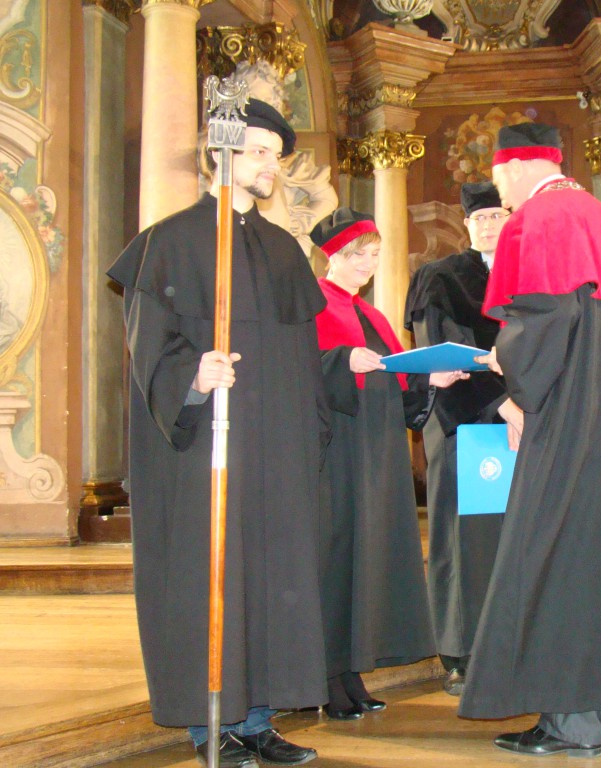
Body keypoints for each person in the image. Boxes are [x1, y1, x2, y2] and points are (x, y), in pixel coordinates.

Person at [107, 99, 325, 767]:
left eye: (275, 156)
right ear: (219, 154)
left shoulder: (284, 249)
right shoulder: (168, 243)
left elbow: (305, 361)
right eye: (257, 152)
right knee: (209, 576)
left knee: (269, 579)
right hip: (203, 447)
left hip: (275, 451)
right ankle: (212, 728)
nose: (270, 166)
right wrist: (194, 377)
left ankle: (256, 720)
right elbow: (149, 352)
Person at [462, 122, 601, 756]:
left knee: (557, 554)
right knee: (598, 558)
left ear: (518, 166)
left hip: (572, 415)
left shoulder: (540, 218)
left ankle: (571, 724)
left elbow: (542, 319)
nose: (500, 193)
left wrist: (514, 382)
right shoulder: (599, 215)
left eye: (499, 179)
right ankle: (598, 719)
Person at [310, 208, 466, 721]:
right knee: (335, 560)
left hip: (376, 454)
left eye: (374, 255)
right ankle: (327, 677)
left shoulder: (372, 316)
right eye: (358, 255)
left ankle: (351, 672)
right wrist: (341, 361)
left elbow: (396, 380)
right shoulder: (312, 305)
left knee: (366, 558)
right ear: (332, 256)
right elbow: (298, 372)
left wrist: (430, 379)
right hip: (336, 453)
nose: (367, 265)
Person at [403, 181, 518, 696]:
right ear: (467, 224)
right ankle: (463, 652)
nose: (490, 224)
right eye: (481, 217)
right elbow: (444, 354)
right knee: (466, 538)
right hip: (467, 424)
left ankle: (515, 642)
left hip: (530, 424)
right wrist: (503, 404)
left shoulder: (527, 277)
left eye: (498, 216)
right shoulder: (441, 277)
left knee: (518, 534)